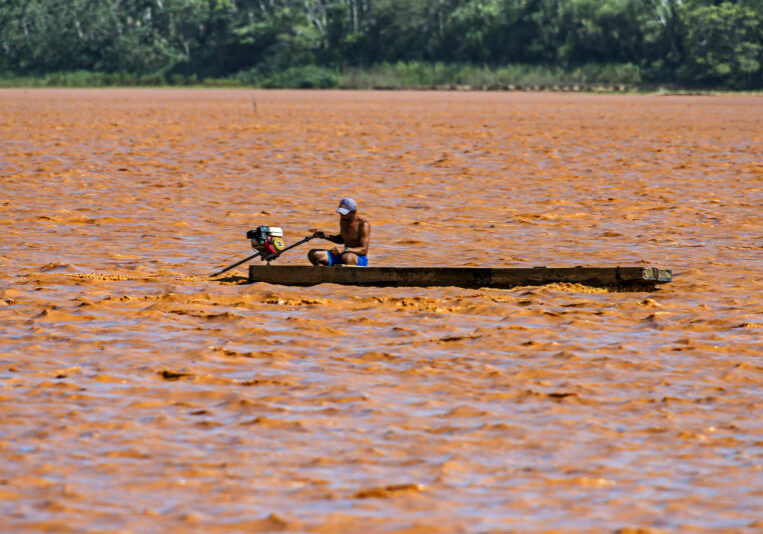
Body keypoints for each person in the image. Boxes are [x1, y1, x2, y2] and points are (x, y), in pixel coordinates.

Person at [308, 198, 370, 266]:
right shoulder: (343, 220)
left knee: (348, 257)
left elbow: (364, 251)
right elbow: (342, 239)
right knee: (313, 254)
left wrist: (345, 249)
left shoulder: (363, 224)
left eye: (344, 213)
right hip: (344, 254)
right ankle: (325, 274)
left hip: (358, 258)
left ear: (353, 212)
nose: (341, 215)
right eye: (340, 212)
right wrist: (325, 236)